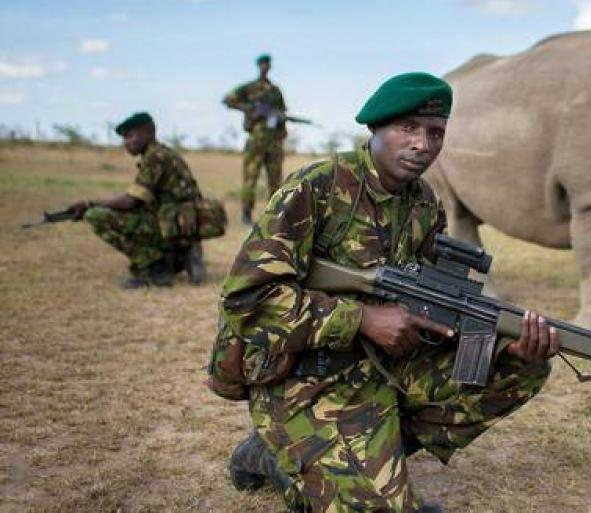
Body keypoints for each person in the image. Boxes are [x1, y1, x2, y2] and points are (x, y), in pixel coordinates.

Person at [219, 72, 558, 513]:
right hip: (303, 377)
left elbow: (426, 294)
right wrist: (361, 319)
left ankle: (370, 448)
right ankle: (279, 452)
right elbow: (246, 300)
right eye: (408, 128)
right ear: (376, 128)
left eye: (435, 133)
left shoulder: (423, 203)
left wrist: (494, 337)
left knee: (520, 366)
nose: (423, 145)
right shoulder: (315, 188)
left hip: (379, 371)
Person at [67, 112, 207, 289]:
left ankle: (154, 269)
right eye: (124, 137)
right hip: (180, 224)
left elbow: (130, 201)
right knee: (127, 214)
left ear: (149, 133)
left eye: (130, 135)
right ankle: (178, 255)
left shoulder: (155, 157)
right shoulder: (163, 153)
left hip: (173, 225)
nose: (126, 142)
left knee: (96, 216)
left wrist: (89, 204)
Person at [223, 53, 289, 225]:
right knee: (250, 178)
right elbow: (228, 100)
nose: (265, 66)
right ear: (259, 65)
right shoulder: (249, 88)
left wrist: (282, 127)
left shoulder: (275, 91)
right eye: (263, 63)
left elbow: (282, 113)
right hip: (256, 140)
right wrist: (249, 109)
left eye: (268, 64)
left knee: (275, 180)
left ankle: (273, 216)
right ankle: (246, 214)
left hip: (274, 141)